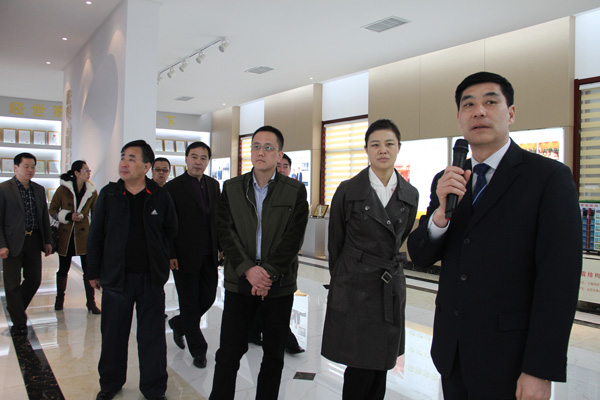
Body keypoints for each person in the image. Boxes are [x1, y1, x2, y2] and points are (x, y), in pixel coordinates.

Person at [407, 72, 582, 400]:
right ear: (459, 118)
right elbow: (420, 255)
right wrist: (440, 215)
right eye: (468, 105)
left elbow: (559, 281)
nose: (479, 111)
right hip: (452, 352)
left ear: (510, 113)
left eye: (490, 102)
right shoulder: (448, 179)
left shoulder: (548, 178)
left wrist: (540, 369)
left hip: (510, 358)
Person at [321, 119, 418, 399]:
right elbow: (336, 243)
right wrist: (343, 280)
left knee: (383, 361)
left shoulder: (410, 194)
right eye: (375, 144)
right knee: (359, 361)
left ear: (398, 148)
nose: (382, 150)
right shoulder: (348, 190)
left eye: (389, 144)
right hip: (356, 284)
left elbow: (399, 237)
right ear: (366, 150)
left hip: (390, 284)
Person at [210, 126, 309, 400]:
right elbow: (225, 232)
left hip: (278, 284)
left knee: (274, 355)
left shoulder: (295, 191)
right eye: (256, 146)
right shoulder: (232, 188)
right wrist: (248, 270)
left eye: (268, 147)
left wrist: (267, 273)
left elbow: (293, 238)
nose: (261, 152)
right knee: (228, 353)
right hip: (239, 282)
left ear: (279, 154)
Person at [87, 140, 178, 400]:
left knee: (152, 337)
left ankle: (154, 388)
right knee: (113, 335)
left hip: (151, 279)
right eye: (123, 157)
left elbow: (171, 230)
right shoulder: (110, 194)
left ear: (146, 166)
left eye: (132, 158)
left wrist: (160, 260)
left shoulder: (160, 195)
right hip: (117, 278)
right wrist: (92, 271)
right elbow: (96, 234)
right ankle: (110, 383)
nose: (124, 163)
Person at [166, 141, 220, 369]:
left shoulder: (213, 185)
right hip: (184, 254)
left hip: (209, 253)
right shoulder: (172, 187)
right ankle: (198, 350)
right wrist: (171, 252)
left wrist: (221, 247)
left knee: (208, 297)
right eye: (194, 157)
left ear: (208, 161)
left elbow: (218, 218)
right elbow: (167, 224)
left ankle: (179, 324)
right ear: (186, 159)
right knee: (189, 302)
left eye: (203, 158)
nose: (198, 162)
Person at [248, 152, 304, 354]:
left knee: (277, 302)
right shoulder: (258, 190)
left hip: (283, 264)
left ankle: (264, 334)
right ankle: (283, 339)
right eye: (278, 165)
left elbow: (295, 234)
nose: (281, 169)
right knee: (262, 300)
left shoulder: (296, 192)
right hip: (256, 263)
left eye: (285, 166)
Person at [0, 152, 53, 336]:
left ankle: (15, 309)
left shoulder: (38, 189)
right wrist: (1, 244)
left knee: (34, 280)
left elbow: (43, 217)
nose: (30, 170)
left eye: (33, 167)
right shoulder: (4, 189)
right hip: (11, 242)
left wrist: (47, 240)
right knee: (12, 284)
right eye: (26, 166)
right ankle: (19, 322)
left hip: (33, 240)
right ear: (16, 168)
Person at [49, 160, 99, 313]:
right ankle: (59, 299)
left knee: (88, 270)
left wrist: (97, 234)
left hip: (84, 236)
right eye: (85, 170)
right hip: (66, 235)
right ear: (76, 173)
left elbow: (96, 214)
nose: (88, 173)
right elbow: (52, 209)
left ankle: (91, 302)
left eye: (89, 170)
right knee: (63, 269)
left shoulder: (91, 191)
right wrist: (68, 216)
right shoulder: (63, 189)